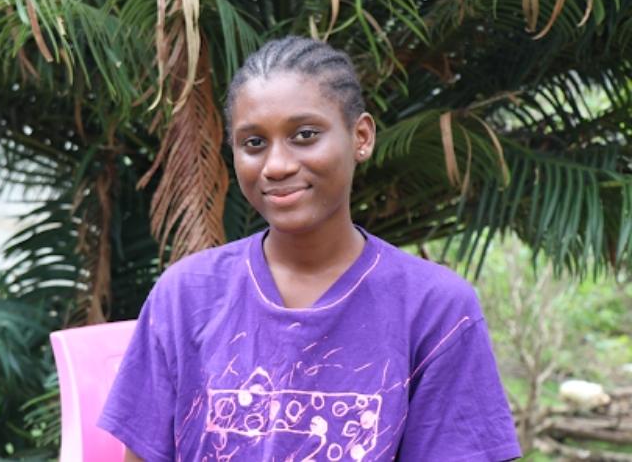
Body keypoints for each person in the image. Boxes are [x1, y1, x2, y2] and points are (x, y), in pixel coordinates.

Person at [98, 36, 521, 461]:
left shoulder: (435, 310)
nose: (277, 165)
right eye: (254, 143)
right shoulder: (186, 296)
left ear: (361, 136)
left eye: (304, 135)